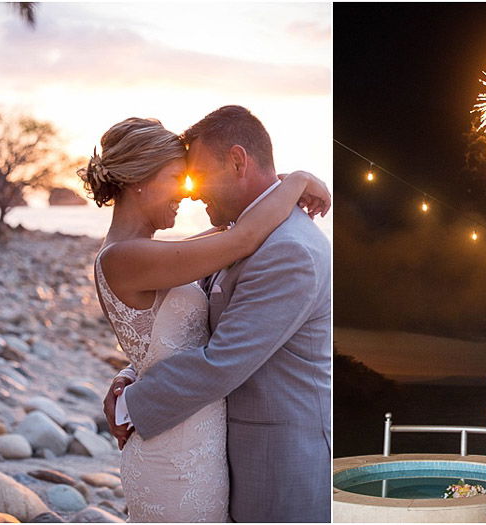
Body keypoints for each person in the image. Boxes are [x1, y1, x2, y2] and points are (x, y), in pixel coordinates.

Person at [79, 114, 330, 522]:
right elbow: (242, 237)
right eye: (176, 178)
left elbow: (237, 235)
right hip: (174, 449)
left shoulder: (160, 252)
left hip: (209, 444)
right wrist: (297, 181)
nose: (188, 192)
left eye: (190, 178)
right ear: (140, 180)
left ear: (236, 161)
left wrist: (132, 379)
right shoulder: (125, 256)